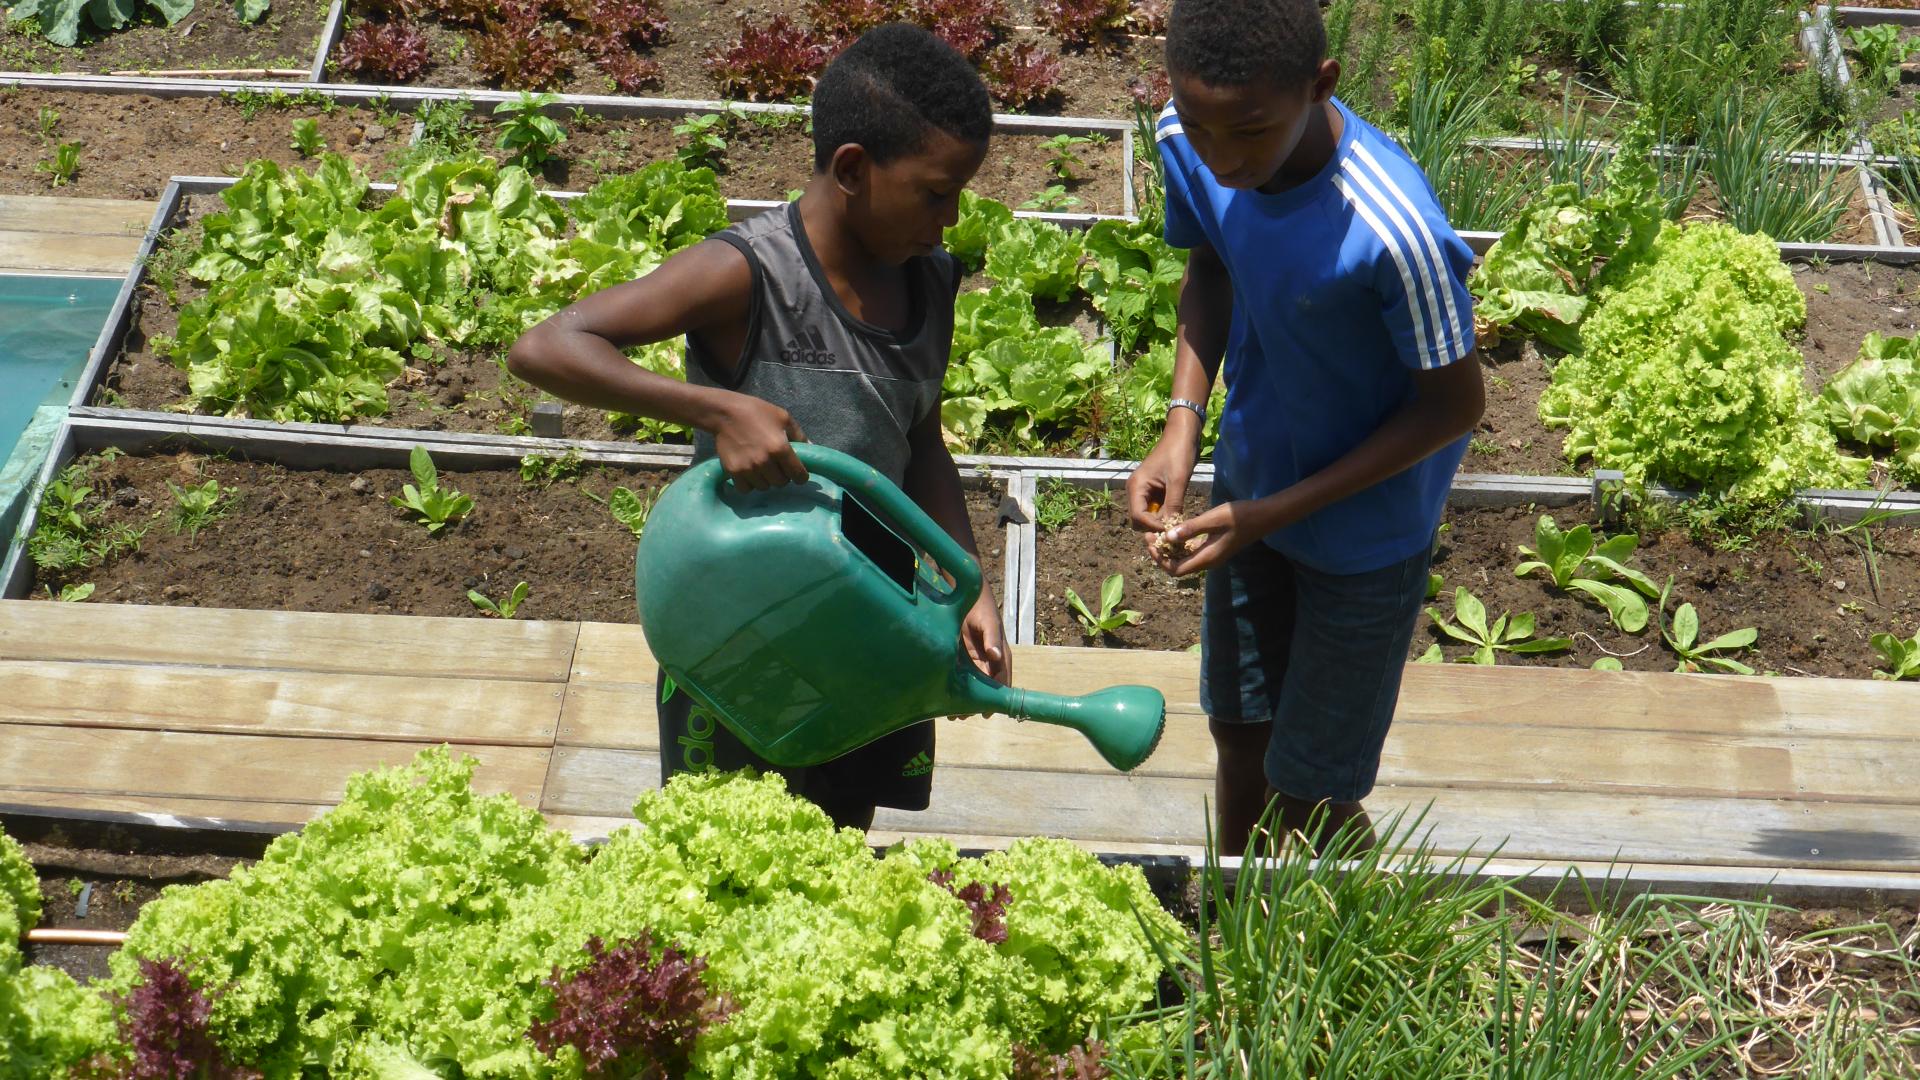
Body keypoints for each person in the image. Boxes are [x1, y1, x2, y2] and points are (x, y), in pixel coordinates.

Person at [507, 22, 1010, 832]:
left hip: (871, 620)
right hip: (743, 630)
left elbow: (919, 439)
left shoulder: (930, 284)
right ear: (852, 168)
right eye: (933, 191)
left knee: (841, 837)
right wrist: (714, 406)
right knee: (724, 850)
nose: (949, 218)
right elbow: (545, 347)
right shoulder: (750, 275)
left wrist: (968, 582)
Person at [1126, 0, 1486, 857]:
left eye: (1249, 133)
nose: (1222, 159)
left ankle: (1353, 952)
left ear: (1322, 85)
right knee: (1240, 736)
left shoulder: (1395, 231)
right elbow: (1211, 265)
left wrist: (1270, 515)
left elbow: (1454, 406)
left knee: (1312, 792)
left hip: (1365, 540)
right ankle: (1237, 927)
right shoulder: (1193, 131)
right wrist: (1182, 426)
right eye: (1204, 130)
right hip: (1250, 494)